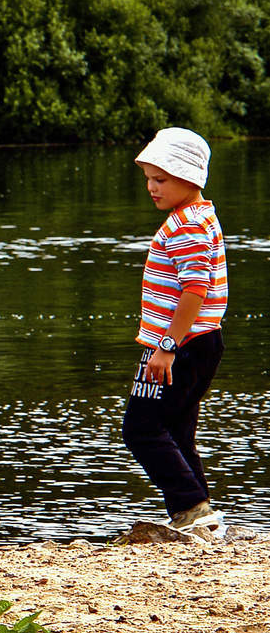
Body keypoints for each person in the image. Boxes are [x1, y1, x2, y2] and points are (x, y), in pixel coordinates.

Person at [124, 127, 227, 530]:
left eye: (161, 179)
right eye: (149, 178)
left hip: (181, 344)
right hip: (199, 342)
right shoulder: (200, 215)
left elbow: (195, 289)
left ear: (191, 177)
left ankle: (192, 510)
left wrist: (166, 346)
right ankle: (198, 516)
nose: (152, 187)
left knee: (142, 428)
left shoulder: (184, 225)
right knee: (177, 429)